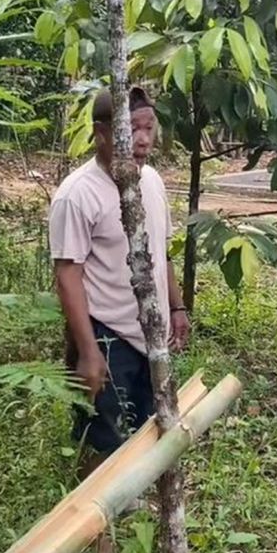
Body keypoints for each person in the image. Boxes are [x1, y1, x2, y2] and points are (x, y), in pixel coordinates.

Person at [48, 86, 190, 475]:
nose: (143, 139)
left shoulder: (153, 182)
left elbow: (161, 251)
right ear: (102, 132)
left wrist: (176, 307)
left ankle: (137, 517)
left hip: (152, 336)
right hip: (106, 335)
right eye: (133, 129)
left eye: (149, 127)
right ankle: (97, 531)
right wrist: (88, 350)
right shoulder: (77, 195)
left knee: (150, 432)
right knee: (103, 440)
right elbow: (67, 275)